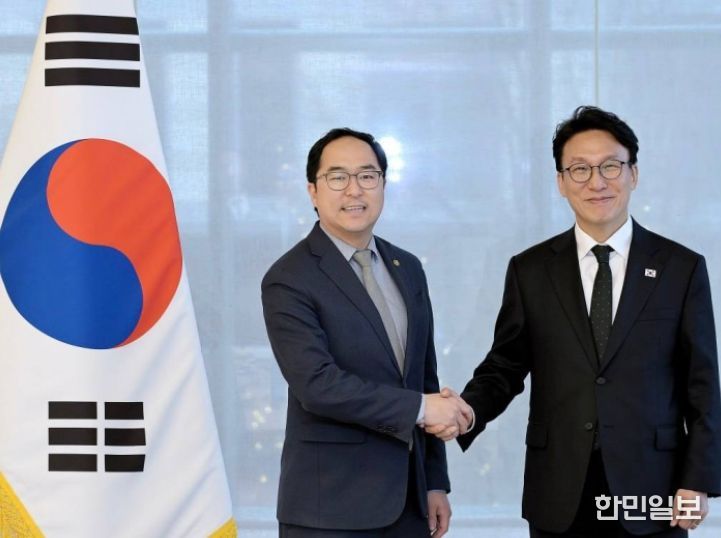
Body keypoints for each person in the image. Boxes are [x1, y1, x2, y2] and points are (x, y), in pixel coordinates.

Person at [439, 106, 721, 536]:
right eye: (580, 169)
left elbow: (702, 385)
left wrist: (697, 480)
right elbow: (505, 366)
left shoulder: (680, 268)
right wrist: (467, 411)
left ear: (633, 173)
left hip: (654, 487)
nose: (597, 182)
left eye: (610, 166)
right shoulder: (531, 270)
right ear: (561, 182)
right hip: (559, 488)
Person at [262, 128, 472, 537]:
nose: (354, 189)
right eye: (337, 177)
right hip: (329, 511)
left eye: (367, 175)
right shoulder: (289, 277)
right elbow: (317, 386)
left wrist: (434, 482)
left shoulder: (407, 267)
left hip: (410, 504)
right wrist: (423, 409)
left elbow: (423, 378)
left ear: (383, 185)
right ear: (313, 191)